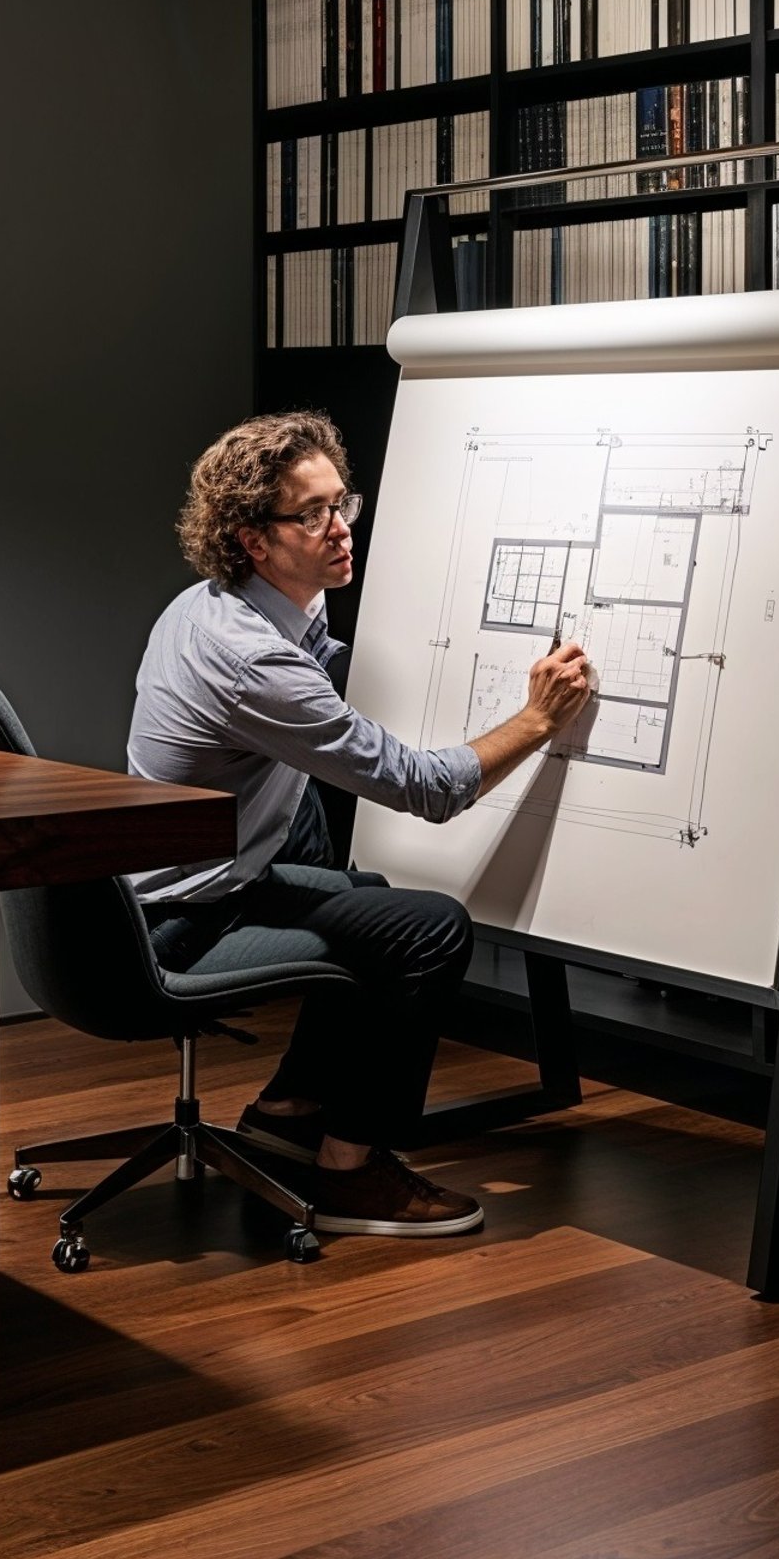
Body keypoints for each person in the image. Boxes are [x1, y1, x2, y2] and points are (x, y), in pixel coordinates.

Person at [129, 410, 592, 1238]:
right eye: (312, 515)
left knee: (367, 894)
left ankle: (288, 1110)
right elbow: (426, 787)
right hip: (183, 921)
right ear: (252, 541)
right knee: (430, 929)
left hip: (179, 885)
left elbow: (316, 670)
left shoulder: (212, 609)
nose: (340, 530)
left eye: (343, 504)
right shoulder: (252, 658)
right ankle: (351, 1169)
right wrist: (535, 719)